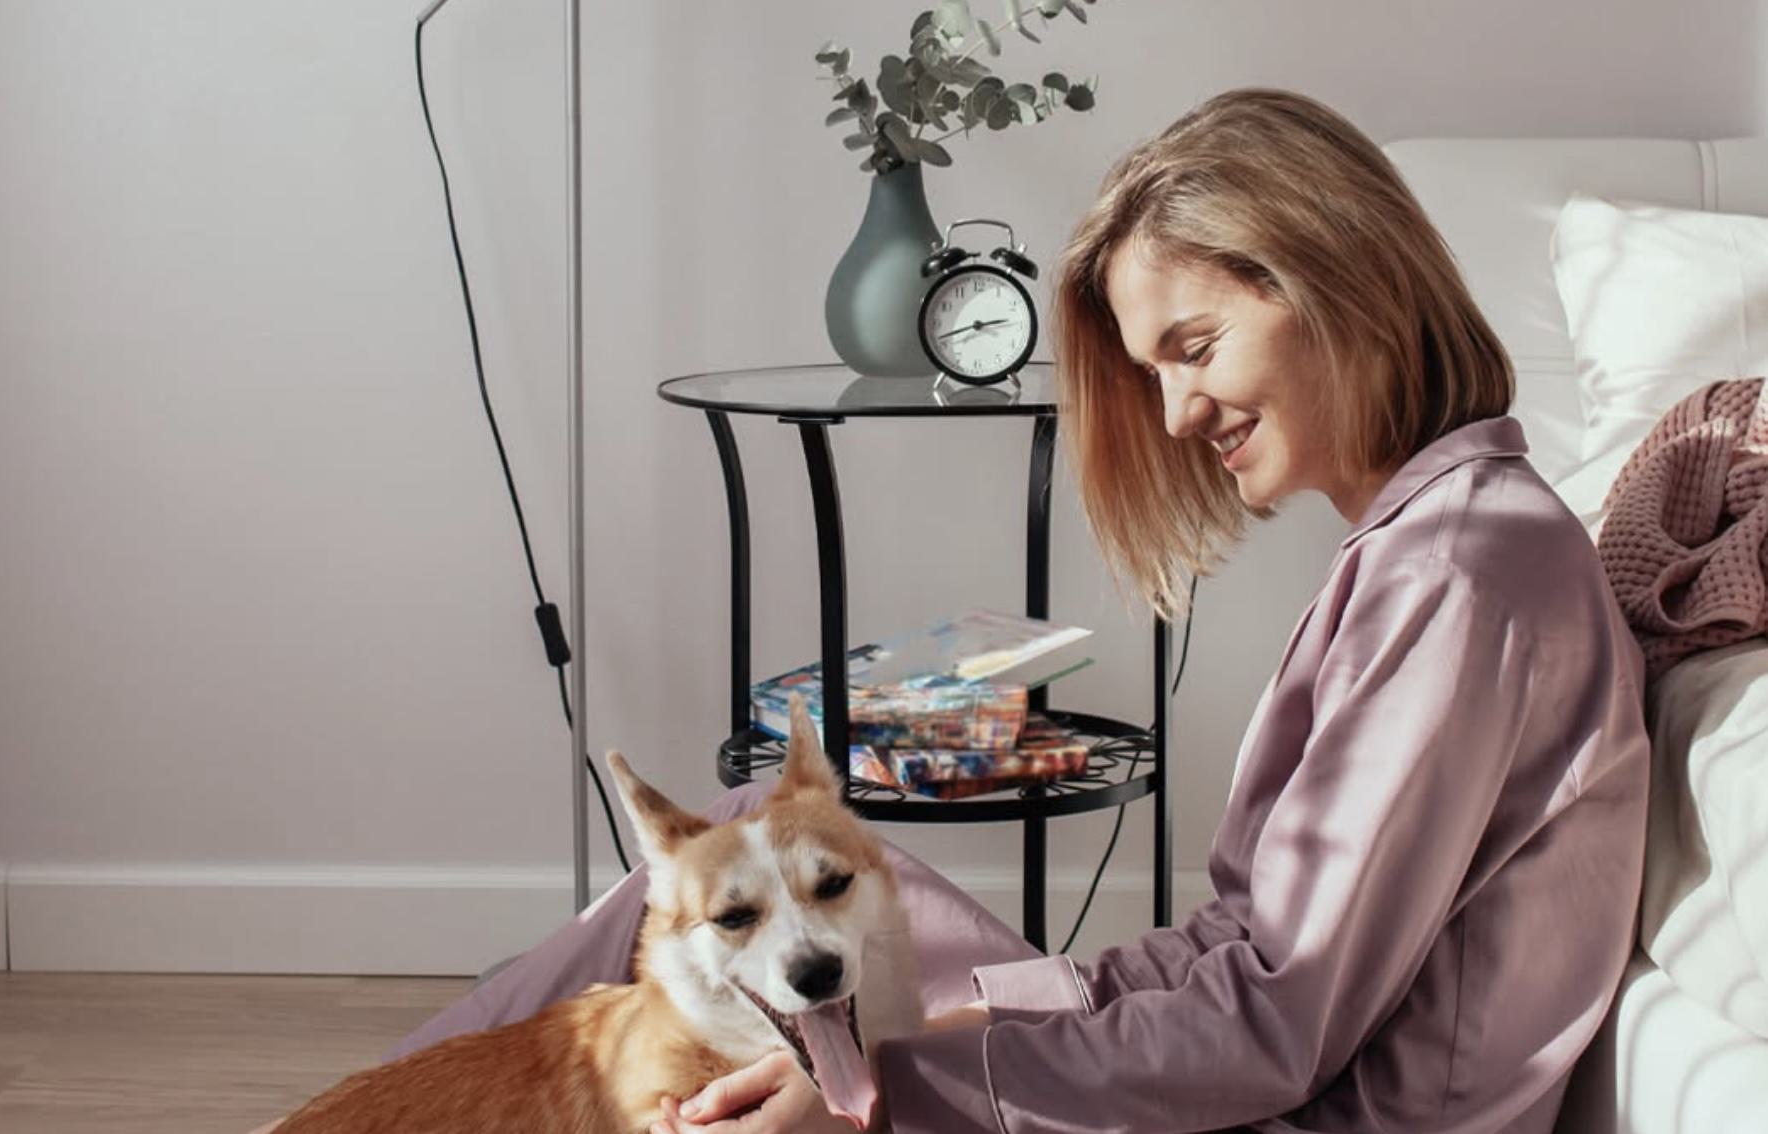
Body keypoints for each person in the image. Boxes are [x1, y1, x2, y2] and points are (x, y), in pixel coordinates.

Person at [385, 88, 1652, 1134]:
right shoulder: (1425, 550)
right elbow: (1239, 946)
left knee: (742, 956)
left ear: (1331, 277)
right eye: (1154, 372)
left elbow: (1276, 1024)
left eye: (1193, 347)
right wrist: (969, 1019)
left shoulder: (1455, 575)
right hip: (1257, 1075)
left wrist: (895, 1091)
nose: (1173, 416)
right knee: (735, 847)